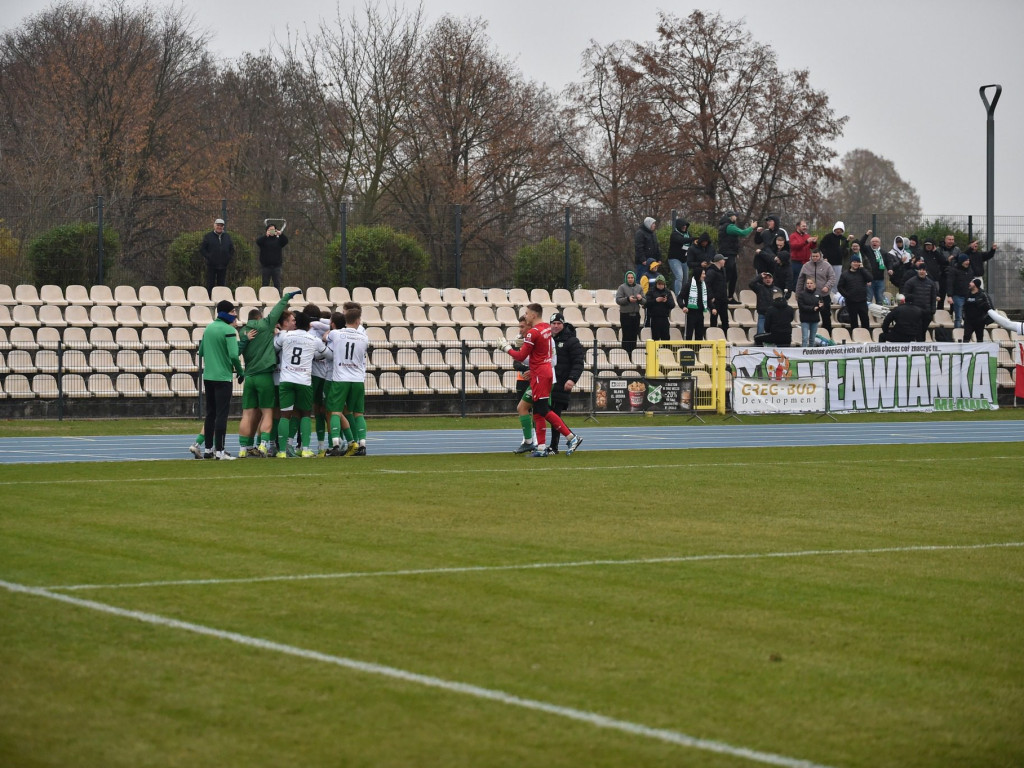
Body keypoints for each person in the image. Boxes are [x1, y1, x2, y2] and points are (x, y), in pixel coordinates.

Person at [496, 303, 583, 457]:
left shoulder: (534, 333)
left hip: (540, 376)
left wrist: (506, 348)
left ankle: (571, 437)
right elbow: (548, 356)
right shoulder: (546, 329)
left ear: (533, 315)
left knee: (543, 410)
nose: (525, 316)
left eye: (526, 314)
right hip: (545, 373)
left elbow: (521, 356)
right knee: (535, 410)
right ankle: (540, 447)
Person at [236, 290, 300, 457]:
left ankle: (243, 449)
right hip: (264, 376)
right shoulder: (265, 326)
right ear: (259, 318)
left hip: (249, 376)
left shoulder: (243, 331)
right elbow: (277, 309)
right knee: (267, 412)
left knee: (247, 414)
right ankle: (264, 445)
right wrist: (287, 297)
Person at [189, 299, 244, 460]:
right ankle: (220, 451)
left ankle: (208, 450)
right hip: (223, 377)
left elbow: (201, 352)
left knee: (210, 414)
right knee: (221, 415)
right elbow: (234, 354)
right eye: (233, 311)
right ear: (225, 313)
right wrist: (240, 371)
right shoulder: (229, 330)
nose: (235, 314)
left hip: (208, 376)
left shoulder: (209, 328)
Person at [274, 310, 329, 458]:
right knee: (305, 414)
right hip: (304, 380)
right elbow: (328, 354)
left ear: (296, 323)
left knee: (285, 415)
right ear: (309, 326)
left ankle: (282, 451)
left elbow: (275, 348)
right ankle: (305, 449)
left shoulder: (285, 336)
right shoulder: (313, 339)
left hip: (286, 380)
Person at [323, 305, 369, 456]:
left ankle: (336, 444)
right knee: (358, 413)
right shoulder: (364, 337)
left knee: (335, 411)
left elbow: (325, 337)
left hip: (341, 378)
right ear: (357, 321)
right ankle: (362, 445)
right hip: (357, 379)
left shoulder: (336, 334)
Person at [547, 313, 585, 455]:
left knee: (553, 414)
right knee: (548, 413)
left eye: (559, 323)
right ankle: (557, 443)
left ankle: (558, 444)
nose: (556, 326)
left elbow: (578, 362)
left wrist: (572, 379)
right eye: (554, 323)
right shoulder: (547, 339)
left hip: (561, 383)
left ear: (563, 324)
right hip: (548, 381)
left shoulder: (571, 341)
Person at [717, 211, 756, 302]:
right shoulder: (729, 226)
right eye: (735, 216)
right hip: (727, 254)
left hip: (730, 253)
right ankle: (720, 296)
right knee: (727, 276)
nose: (736, 218)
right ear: (731, 217)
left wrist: (735, 252)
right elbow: (743, 233)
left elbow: (731, 241)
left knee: (734, 276)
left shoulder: (724, 226)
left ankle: (730, 297)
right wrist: (752, 227)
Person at [796, 250, 835, 333]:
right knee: (809, 315)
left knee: (826, 316)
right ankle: (809, 334)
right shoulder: (806, 266)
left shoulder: (827, 265)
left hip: (823, 295)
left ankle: (828, 333)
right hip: (809, 296)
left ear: (820, 256)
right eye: (813, 256)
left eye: (817, 256)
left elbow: (832, 278)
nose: (815, 258)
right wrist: (798, 294)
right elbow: (800, 280)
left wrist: (827, 286)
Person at [837, 253, 871, 330]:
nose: (856, 264)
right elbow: (840, 287)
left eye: (857, 262)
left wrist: (862, 269)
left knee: (865, 321)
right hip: (851, 302)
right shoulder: (845, 274)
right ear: (851, 263)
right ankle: (854, 335)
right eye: (854, 262)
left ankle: (866, 335)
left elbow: (870, 278)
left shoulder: (862, 272)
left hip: (862, 301)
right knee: (853, 322)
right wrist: (847, 295)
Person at [200, 218, 235, 292]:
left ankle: (220, 298)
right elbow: (202, 249)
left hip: (223, 265)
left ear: (223, 227)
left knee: (221, 285)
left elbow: (231, 249)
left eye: (221, 226)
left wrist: (228, 258)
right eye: (218, 225)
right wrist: (209, 257)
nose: (219, 227)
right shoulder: (208, 236)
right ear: (214, 226)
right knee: (210, 284)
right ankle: (210, 298)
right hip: (211, 265)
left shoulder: (227, 236)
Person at [615, 270, 645, 354]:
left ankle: (633, 353)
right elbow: (618, 300)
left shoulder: (639, 287)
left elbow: (644, 301)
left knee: (634, 336)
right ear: (626, 278)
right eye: (628, 278)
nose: (630, 279)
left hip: (636, 315)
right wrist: (628, 299)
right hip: (625, 315)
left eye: (632, 278)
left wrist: (640, 299)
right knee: (626, 335)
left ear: (634, 278)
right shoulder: (622, 287)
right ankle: (625, 353)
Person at [901, 261, 937, 327]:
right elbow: (905, 295)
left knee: (923, 330)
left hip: (927, 312)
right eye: (920, 270)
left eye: (923, 270)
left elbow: (933, 297)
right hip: (914, 312)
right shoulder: (910, 282)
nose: (921, 271)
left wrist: (933, 310)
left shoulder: (931, 283)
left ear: (926, 271)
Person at [748, 270, 783, 338]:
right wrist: (759, 276)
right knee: (760, 333)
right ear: (763, 280)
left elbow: (780, 303)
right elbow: (751, 284)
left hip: (774, 316)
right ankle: (759, 344)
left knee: (773, 334)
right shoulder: (759, 288)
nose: (768, 279)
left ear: (772, 279)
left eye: (769, 278)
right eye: (766, 278)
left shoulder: (778, 290)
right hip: (762, 315)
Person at [818, 221, 851, 290]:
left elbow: (845, 250)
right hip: (828, 262)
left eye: (840, 230)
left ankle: (836, 292)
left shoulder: (844, 239)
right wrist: (824, 257)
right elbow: (821, 247)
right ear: (835, 229)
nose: (838, 231)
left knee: (837, 279)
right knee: (827, 278)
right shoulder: (828, 237)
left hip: (839, 263)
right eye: (837, 229)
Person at [256, 223, 289, 291]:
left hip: (276, 267)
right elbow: (258, 242)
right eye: (270, 230)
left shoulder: (278, 240)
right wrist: (265, 236)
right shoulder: (264, 240)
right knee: (265, 284)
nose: (271, 231)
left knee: (277, 284)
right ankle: (264, 296)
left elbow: (285, 241)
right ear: (267, 230)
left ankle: (278, 296)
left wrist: (281, 234)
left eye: (273, 230)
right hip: (266, 266)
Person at [946, 253, 973, 329]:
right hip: (958, 296)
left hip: (968, 296)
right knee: (958, 317)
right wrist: (949, 296)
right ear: (961, 261)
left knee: (969, 317)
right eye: (965, 260)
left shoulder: (970, 271)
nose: (967, 262)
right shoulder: (953, 270)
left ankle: (967, 333)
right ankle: (957, 333)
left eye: (968, 260)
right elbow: (950, 283)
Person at [918, 239, 948, 310]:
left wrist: (935, 251)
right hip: (925, 278)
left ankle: (938, 310)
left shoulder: (936, 253)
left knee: (937, 295)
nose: (928, 246)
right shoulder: (921, 253)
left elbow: (944, 261)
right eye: (927, 245)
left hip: (936, 279)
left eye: (930, 245)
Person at [645, 274, 675, 341]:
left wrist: (666, 301)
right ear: (656, 284)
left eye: (662, 284)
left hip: (665, 318)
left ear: (664, 284)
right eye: (659, 284)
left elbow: (672, 305)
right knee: (655, 339)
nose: (660, 285)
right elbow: (646, 304)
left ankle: (666, 348)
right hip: (654, 318)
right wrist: (655, 300)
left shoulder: (667, 292)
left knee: (666, 338)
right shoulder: (651, 291)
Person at [962, 278, 993, 343]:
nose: (969, 284)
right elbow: (964, 307)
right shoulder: (967, 294)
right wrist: (964, 316)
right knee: (966, 337)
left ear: (975, 285)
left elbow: (990, 308)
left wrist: (983, 319)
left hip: (979, 321)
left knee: (979, 338)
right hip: (968, 321)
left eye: (971, 282)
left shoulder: (983, 294)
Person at [704, 253, 730, 332]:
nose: (724, 261)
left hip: (723, 299)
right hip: (715, 300)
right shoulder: (711, 271)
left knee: (725, 319)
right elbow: (707, 285)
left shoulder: (723, 270)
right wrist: (711, 296)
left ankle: (726, 335)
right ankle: (713, 335)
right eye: (723, 260)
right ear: (719, 261)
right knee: (714, 319)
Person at [788, 220, 815, 290]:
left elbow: (812, 247)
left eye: (805, 226)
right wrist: (806, 242)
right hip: (797, 263)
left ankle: (805, 294)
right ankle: (796, 294)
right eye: (803, 226)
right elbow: (794, 246)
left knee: (807, 280)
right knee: (796, 280)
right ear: (798, 227)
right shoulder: (793, 236)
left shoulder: (807, 236)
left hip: (807, 262)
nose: (805, 227)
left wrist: (814, 242)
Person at [796, 277, 823, 347]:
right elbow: (801, 306)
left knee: (812, 339)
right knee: (805, 338)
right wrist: (812, 308)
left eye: (811, 283)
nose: (809, 285)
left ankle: (811, 352)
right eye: (807, 283)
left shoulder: (818, 294)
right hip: (805, 319)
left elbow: (821, 305)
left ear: (814, 285)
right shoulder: (801, 294)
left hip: (815, 319)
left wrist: (820, 306)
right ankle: (803, 352)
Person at [667, 218, 691, 295]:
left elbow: (692, 244)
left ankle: (684, 296)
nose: (684, 227)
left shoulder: (688, 234)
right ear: (679, 226)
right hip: (674, 259)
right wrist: (693, 239)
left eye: (685, 225)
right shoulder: (674, 234)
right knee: (679, 276)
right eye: (683, 225)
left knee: (685, 279)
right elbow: (682, 240)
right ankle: (678, 296)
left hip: (684, 259)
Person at [682, 267, 707, 341]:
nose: (704, 276)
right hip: (691, 314)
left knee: (699, 336)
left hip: (700, 314)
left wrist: (713, 307)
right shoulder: (689, 285)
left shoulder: (703, 285)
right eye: (703, 274)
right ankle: (688, 348)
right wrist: (683, 306)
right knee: (688, 335)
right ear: (698, 274)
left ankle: (698, 349)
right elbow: (680, 297)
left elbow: (707, 298)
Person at [862, 233, 888, 304]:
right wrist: (866, 235)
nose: (874, 243)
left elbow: (888, 262)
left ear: (879, 243)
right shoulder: (867, 249)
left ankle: (879, 311)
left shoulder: (883, 252)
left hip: (880, 280)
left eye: (876, 241)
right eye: (873, 241)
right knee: (868, 298)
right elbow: (861, 244)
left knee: (880, 299)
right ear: (870, 243)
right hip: (869, 280)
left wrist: (890, 269)